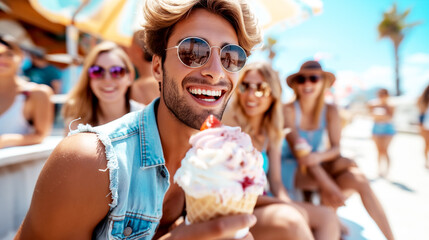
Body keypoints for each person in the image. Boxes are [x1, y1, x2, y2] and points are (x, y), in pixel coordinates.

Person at [15, 1, 316, 239]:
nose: (215, 71)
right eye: (192, 51)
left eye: (231, 57)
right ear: (157, 67)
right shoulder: (89, 161)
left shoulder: (222, 157)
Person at [223, 61, 340, 240]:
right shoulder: (229, 127)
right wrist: (285, 205)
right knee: (292, 219)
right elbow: (229, 190)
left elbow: (276, 182)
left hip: (262, 204)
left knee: (328, 217)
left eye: (261, 88)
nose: (251, 95)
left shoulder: (271, 132)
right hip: (235, 209)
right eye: (245, 87)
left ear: (273, 95)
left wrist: (288, 202)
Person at [282, 60, 395, 240]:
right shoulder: (288, 109)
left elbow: (335, 148)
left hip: (315, 163)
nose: (307, 83)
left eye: (313, 78)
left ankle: (391, 238)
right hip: (291, 166)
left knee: (358, 178)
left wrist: (319, 157)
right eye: (301, 80)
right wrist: (329, 186)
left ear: (323, 83)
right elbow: (301, 156)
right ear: (295, 85)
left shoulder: (331, 110)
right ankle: (331, 216)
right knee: (345, 166)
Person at [62, 41, 143, 133]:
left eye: (117, 71)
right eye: (97, 71)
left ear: (130, 77)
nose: (107, 79)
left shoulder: (146, 119)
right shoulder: (76, 126)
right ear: (88, 78)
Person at [0, 34, 53, 149]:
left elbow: (41, 135)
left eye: (9, 54)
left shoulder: (37, 93)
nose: (2, 59)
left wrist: (6, 140)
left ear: (21, 57)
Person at [126, 31, 160, 105]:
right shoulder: (164, 80)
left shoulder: (136, 88)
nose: (128, 50)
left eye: (131, 46)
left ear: (138, 51)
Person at [368, 88, 395, 177]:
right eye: (380, 94)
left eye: (383, 94)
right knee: (379, 151)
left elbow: (391, 117)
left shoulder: (391, 105)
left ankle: (387, 170)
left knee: (385, 150)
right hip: (376, 128)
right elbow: (370, 115)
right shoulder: (373, 104)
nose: (381, 96)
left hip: (387, 128)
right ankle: (379, 169)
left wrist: (382, 116)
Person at [417, 84, 429, 169]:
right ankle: (426, 161)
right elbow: (421, 113)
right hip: (425, 124)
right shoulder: (423, 100)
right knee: (427, 144)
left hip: (424, 124)